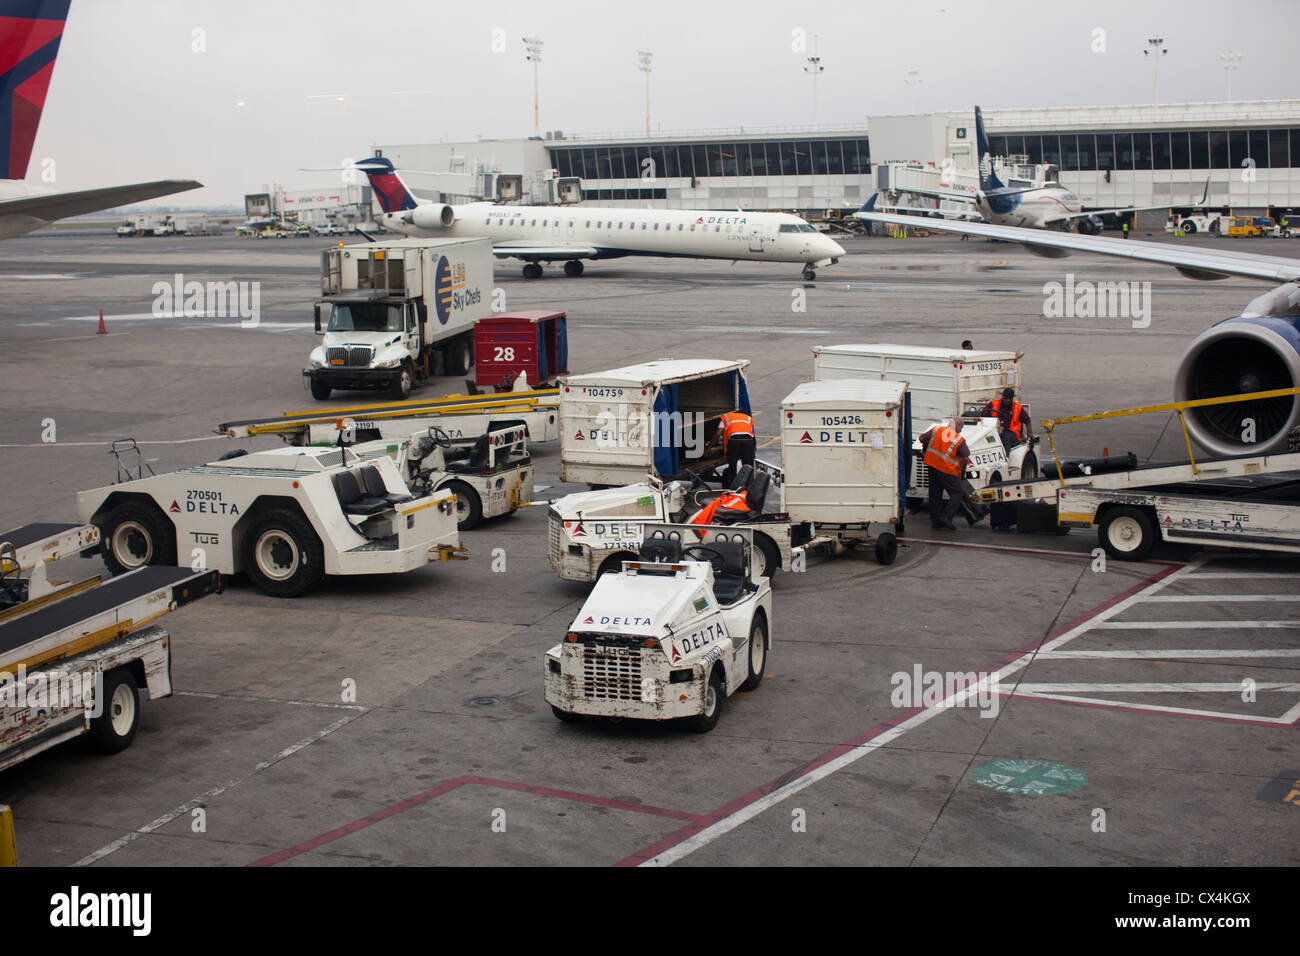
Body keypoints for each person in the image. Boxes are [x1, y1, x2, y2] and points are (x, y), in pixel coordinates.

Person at [918, 419, 972, 531]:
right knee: (958, 492)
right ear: (957, 425)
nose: (961, 430)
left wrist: (926, 447)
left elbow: (921, 438)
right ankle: (946, 517)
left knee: (935, 493)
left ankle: (935, 521)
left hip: (932, 465)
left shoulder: (937, 429)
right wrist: (962, 473)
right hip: (947, 470)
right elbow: (965, 457)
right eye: (961, 427)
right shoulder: (958, 439)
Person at [979, 387, 1032, 452]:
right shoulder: (994, 403)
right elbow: (984, 412)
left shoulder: (1017, 407)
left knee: (1006, 437)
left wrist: (1029, 433)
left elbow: (1027, 420)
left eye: (1009, 399)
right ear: (1002, 397)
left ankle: (1006, 457)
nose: (1007, 400)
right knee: (986, 438)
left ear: (1012, 399)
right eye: (1006, 398)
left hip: (1012, 433)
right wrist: (986, 413)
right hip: (995, 431)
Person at [715, 410, 756, 486]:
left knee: (732, 465)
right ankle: (748, 486)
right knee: (748, 466)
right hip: (748, 440)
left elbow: (718, 433)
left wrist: (709, 447)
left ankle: (732, 487)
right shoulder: (747, 418)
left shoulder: (726, 417)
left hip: (734, 441)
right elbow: (751, 433)